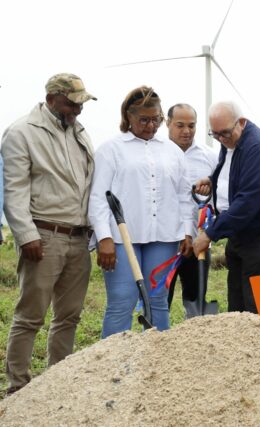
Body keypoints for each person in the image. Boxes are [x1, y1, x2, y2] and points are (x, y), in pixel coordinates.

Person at [2, 73, 96, 395]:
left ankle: (58, 384)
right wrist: (26, 235)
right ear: (53, 98)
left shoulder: (79, 132)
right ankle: (18, 388)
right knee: (31, 316)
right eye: (73, 103)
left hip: (78, 237)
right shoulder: (21, 133)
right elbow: (14, 191)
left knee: (69, 317)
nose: (78, 111)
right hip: (44, 235)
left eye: (81, 105)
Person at [89, 86, 193, 338]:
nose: (150, 125)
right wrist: (103, 237)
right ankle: (114, 365)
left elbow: (184, 195)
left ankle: (157, 363)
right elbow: (99, 197)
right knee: (122, 301)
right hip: (121, 238)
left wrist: (188, 230)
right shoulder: (111, 149)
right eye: (143, 119)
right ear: (128, 117)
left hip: (164, 236)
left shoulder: (172, 152)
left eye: (155, 119)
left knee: (157, 299)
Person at [192, 102, 260, 313]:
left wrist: (210, 234)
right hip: (239, 235)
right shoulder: (229, 141)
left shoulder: (257, 148)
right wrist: (213, 179)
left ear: (241, 122)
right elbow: (232, 171)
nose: (221, 139)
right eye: (215, 135)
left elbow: (248, 200)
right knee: (237, 302)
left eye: (224, 133)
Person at [165, 103, 218, 318]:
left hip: (198, 243)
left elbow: (220, 193)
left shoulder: (210, 156)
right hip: (164, 242)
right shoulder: (158, 154)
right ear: (167, 123)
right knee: (160, 300)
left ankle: (194, 342)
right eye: (179, 125)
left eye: (191, 125)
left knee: (196, 298)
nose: (186, 131)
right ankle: (155, 341)